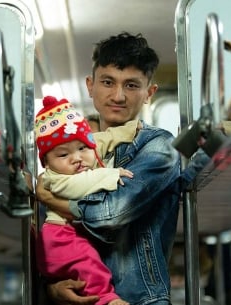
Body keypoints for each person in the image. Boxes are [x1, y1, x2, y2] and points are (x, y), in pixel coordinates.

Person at [35, 32, 209, 305]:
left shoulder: (158, 146)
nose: (118, 95)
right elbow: (49, 237)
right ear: (90, 86)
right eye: (107, 82)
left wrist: (50, 197)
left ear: (149, 93)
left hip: (138, 299)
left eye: (131, 85)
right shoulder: (67, 153)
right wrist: (53, 289)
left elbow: (112, 213)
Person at [35, 95, 141, 305]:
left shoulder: (89, 156)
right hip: (61, 237)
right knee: (89, 264)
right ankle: (106, 299)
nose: (76, 158)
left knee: (89, 264)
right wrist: (110, 174)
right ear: (47, 162)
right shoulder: (52, 179)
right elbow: (81, 184)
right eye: (63, 155)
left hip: (71, 235)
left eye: (83, 148)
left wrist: (131, 130)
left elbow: (107, 138)